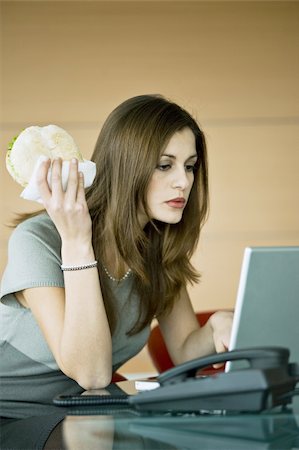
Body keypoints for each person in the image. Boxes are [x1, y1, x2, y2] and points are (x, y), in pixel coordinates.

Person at [0, 94, 233, 420]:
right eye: (165, 165)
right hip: (13, 415)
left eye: (190, 166)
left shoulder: (156, 248)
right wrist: (77, 241)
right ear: (126, 164)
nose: (184, 182)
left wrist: (215, 328)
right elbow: (91, 373)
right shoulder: (38, 240)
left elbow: (183, 352)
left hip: (87, 413)